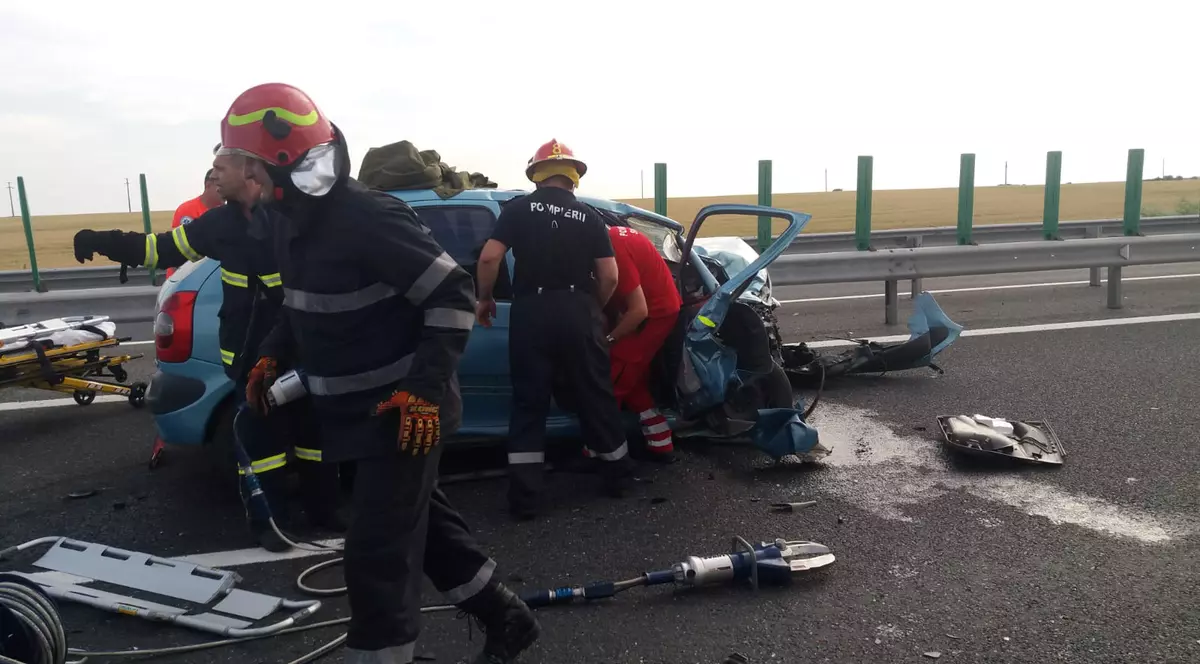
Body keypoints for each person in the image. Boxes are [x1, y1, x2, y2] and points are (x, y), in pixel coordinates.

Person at [223, 82, 538, 664]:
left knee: (375, 551)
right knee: (428, 531)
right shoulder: (291, 221)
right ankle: (507, 618)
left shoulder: (365, 217)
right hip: (358, 418)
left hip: (404, 416)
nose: (239, 177)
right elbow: (302, 305)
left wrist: (420, 393)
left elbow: (452, 294)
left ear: (284, 163)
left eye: (245, 165)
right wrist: (271, 352)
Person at [72, 149, 345, 552]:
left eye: (221, 168)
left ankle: (325, 512)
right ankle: (271, 522)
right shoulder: (220, 223)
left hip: (303, 353)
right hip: (250, 360)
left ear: (250, 171)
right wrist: (104, 241)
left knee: (315, 437)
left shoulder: (294, 219)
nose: (213, 176)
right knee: (260, 444)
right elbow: (160, 249)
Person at [475, 139, 634, 521]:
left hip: (532, 311)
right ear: (573, 176)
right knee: (596, 394)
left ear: (536, 174)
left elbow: (489, 256)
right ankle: (618, 479)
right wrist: (590, 306)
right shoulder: (591, 217)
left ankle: (525, 499)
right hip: (578, 308)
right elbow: (611, 276)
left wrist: (484, 298)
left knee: (529, 403)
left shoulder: (517, 210)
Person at [595, 224, 683, 463]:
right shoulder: (611, 234)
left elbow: (639, 311)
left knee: (614, 378)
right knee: (632, 378)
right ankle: (660, 442)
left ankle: (598, 452)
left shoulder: (614, 252)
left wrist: (608, 340)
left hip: (652, 315)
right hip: (644, 308)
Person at [166, 169, 221, 278]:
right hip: (184, 278)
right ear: (208, 185)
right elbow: (179, 250)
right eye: (220, 186)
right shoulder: (187, 210)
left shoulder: (225, 213)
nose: (224, 191)